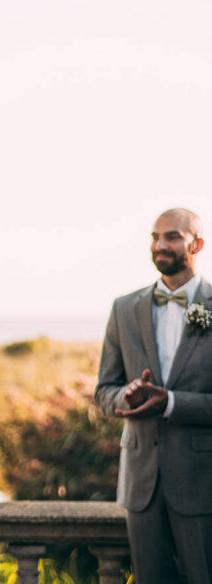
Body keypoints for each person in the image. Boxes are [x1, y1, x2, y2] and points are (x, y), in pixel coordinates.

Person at [95, 207, 212, 584]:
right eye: (155, 237)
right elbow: (103, 391)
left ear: (197, 244)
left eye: (173, 237)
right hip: (140, 483)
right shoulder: (124, 309)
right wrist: (124, 398)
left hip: (202, 482)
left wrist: (172, 403)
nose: (160, 245)